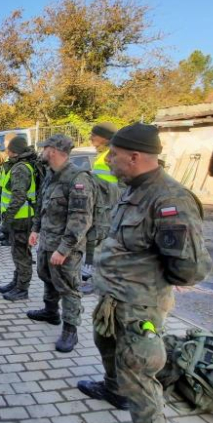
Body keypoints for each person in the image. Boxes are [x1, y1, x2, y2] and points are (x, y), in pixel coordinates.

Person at [76, 123, 212, 423]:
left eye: (115, 155)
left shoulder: (169, 200)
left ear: (134, 157)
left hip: (139, 309)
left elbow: (191, 267)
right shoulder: (132, 191)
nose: (109, 160)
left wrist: (153, 283)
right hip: (113, 302)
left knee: (140, 379)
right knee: (107, 348)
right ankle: (111, 389)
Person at [27, 134, 93, 353]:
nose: (41, 152)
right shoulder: (50, 174)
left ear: (53, 151)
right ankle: (50, 311)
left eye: (43, 148)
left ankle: (70, 330)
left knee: (68, 287)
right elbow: (42, 204)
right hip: (47, 240)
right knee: (47, 276)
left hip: (66, 248)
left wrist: (64, 249)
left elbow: (80, 219)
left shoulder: (77, 178)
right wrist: (35, 229)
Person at [81, 121, 122, 294]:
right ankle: (93, 280)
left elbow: (122, 187)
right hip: (101, 210)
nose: (90, 137)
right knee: (95, 246)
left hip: (109, 212)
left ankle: (99, 285)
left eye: (94, 134)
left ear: (104, 137)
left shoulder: (111, 156)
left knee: (103, 249)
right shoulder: (104, 155)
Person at [0, 136, 39, 301]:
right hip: (19, 217)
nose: (6, 151)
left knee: (22, 255)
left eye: (8, 148)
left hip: (22, 219)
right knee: (18, 253)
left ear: (13, 151)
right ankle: (16, 282)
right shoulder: (18, 166)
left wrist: (7, 218)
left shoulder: (20, 168)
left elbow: (18, 197)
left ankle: (22, 289)